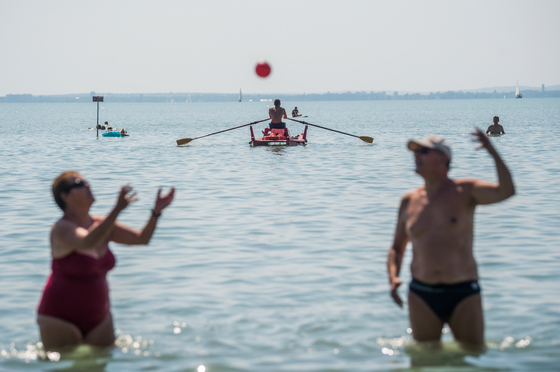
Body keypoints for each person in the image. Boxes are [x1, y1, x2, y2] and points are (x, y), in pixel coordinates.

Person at [387, 130, 515, 348]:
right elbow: (396, 249)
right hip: (421, 293)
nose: (416, 155)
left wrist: (492, 152)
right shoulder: (409, 200)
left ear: (444, 158)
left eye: (424, 151)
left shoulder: (466, 190)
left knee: (473, 356)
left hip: (463, 291)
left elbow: (507, 191)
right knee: (425, 360)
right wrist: (393, 278)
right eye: (415, 151)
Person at [37, 171, 175, 350]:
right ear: (66, 196)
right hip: (59, 318)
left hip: (99, 319)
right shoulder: (61, 229)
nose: (87, 185)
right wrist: (117, 209)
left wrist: (156, 212)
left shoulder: (103, 225)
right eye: (79, 183)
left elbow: (142, 239)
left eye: (86, 181)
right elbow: (87, 241)